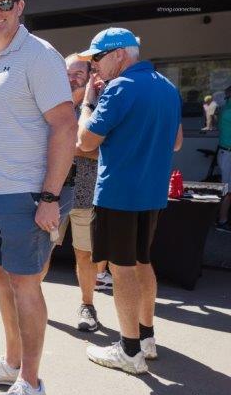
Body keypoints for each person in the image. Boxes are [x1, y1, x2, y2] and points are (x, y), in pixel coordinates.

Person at [0, 0, 76, 395]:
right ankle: (12, 362)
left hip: (27, 194)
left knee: (25, 285)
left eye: (4, 4)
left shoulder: (39, 55)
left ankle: (31, 384)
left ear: (19, 7)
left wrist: (50, 196)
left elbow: (65, 125)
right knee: (0, 279)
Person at [77, 27, 183, 374]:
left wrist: (88, 104)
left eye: (97, 57)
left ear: (119, 54)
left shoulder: (119, 87)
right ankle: (146, 338)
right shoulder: (166, 86)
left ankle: (129, 351)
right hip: (151, 193)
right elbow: (177, 142)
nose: (94, 66)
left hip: (118, 193)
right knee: (141, 262)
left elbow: (85, 141)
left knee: (122, 270)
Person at [54, 54, 101, 332]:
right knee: (43, 251)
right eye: (68, 74)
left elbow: (101, 150)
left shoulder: (99, 105)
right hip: (52, 194)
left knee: (85, 255)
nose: (72, 79)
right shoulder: (51, 104)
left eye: (78, 74)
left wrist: (66, 146)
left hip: (85, 193)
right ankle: (31, 302)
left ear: (89, 76)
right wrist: (80, 146)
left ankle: (87, 305)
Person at [216, 86, 231, 233]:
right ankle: (222, 221)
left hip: (225, 152)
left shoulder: (225, 108)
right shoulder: (228, 111)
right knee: (228, 190)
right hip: (228, 154)